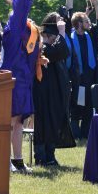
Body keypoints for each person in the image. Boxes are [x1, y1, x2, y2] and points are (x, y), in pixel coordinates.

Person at [0, 0, 37, 173]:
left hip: (23, 80)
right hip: (12, 79)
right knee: (11, 122)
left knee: (20, 122)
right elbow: (20, 0)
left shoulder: (21, 28)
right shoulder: (13, 29)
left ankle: (18, 160)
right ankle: (5, 161)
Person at [32, 13, 74, 166]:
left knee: (54, 121)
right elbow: (59, 52)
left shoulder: (53, 41)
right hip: (43, 89)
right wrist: (61, 33)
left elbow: (63, 52)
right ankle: (41, 156)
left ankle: (50, 155)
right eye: (58, 21)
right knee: (43, 122)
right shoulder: (40, 41)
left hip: (55, 89)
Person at [68, 0, 98, 140]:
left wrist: (96, 6)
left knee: (89, 107)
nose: (89, 22)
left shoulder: (91, 35)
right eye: (86, 21)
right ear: (78, 24)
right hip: (78, 80)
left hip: (91, 79)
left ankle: (86, 134)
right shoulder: (69, 38)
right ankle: (75, 134)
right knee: (77, 107)